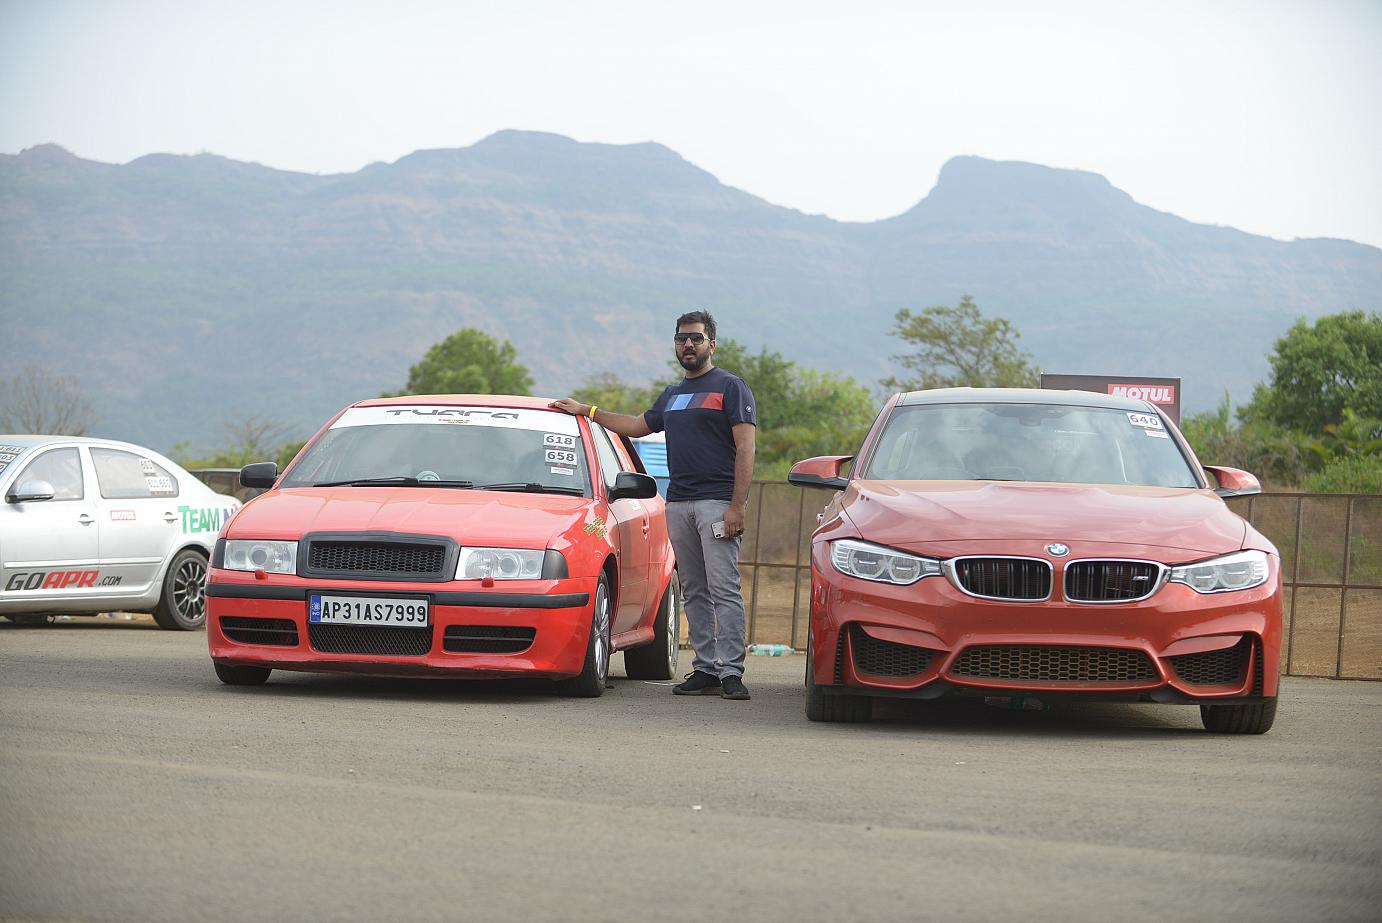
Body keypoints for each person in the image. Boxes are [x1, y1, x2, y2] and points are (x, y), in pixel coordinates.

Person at [550, 310, 757, 700]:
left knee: (724, 588)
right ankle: (707, 670)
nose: (688, 345)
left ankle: (732, 672)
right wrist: (589, 412)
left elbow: (746, 447)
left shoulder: (731, 387)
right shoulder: (673, 395)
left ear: (711, 343)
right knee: (694, 589)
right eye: (681, 339)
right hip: (678, 504)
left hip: (717, 503)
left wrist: (737, 506)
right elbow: (637, 425)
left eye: (696, 338)